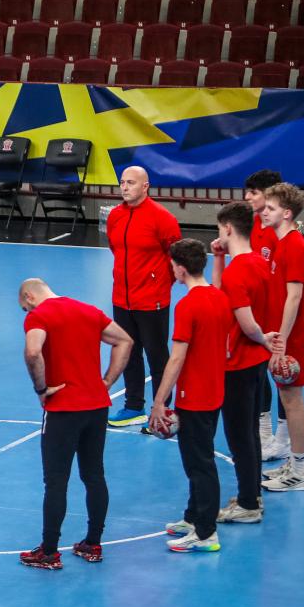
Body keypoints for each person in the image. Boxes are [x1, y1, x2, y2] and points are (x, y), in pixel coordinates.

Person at [18, 278, 133, 569]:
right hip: (96, 406)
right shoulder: (88, 311)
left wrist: (41, 388)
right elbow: (125, 340)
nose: (26, 312)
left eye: (24, 307)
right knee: (94, 474)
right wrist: (107, 381)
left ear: (29, 297)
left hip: (63, 408)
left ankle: (49, 551)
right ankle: (93, 543)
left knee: (56, 480)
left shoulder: (39, 316)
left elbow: (32, 352)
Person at [149, 239, 234, 553]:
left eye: (173, 265)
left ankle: (206, 533)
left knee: (200, 466)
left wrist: (159, 401)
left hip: (194, 397)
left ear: (181, 269)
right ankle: (193, 517)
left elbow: (176, 359)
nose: (172, 270)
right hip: (214, 392)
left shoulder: (187, 306)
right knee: (200, 459)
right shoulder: (219, 297)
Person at [210, 202, 274, 524]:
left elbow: (246, 323)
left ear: (228, 228)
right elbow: (219, 294)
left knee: (239, 436)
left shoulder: (238, 272)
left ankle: (248, 504)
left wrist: (262, 338)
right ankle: (253, 494)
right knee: (249, 432)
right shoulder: (258, 261)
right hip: (256, 363)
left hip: (237, 362)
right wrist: (219, 258)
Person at [105, 166, 181, 427]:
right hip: (122, 299)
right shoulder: (115, 216)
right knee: (128, 352)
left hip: (152, 301)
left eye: (131, 183)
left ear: (145, 186)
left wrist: (158, 284)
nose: (125, 187)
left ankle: (163, 411)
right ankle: (133, 407)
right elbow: (115, 248)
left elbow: (175, 257)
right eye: (122, 182)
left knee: (157, 357)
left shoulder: (162, 218)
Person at [260, 182, 304, 492]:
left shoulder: (293, 245)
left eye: (270, 208)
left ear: (287, 213)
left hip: (292, 338)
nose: (264, 212)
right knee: (287, 398)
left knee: (292, 400)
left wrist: (280, 344)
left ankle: (299, 471)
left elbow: (294, 297)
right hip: (283, 336)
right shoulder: (281, 242)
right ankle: (295, 463)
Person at [242, 169, 285, 456]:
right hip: (257, 313)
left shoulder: (280, 231)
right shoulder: (251, 225)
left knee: (281, 374)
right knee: (258, 371)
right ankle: (264, 431)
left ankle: (283, 438)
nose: (247, 197)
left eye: (253, 192)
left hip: (278, 315)